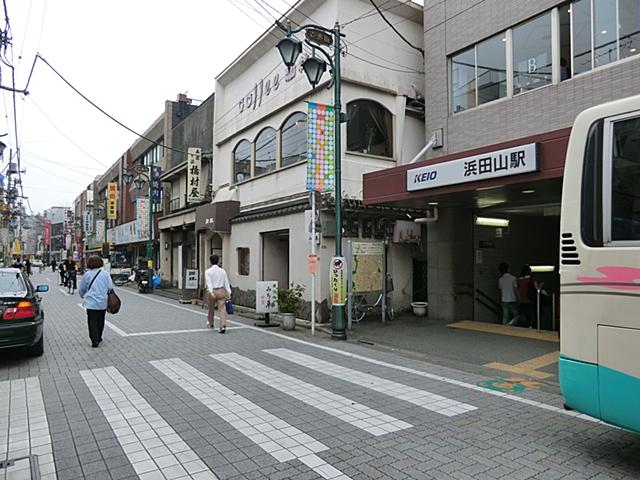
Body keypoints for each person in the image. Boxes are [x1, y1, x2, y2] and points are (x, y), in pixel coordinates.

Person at [79, 255, 113, 348]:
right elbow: (110, 287)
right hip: (103, 301)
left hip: (91, 302)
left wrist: (82, 295)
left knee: (92, 321)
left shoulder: (87, 274)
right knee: (101, 320)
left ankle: (94, 340)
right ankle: (99, 336)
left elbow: (82, 288)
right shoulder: (105, 274)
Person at [204, 254, 231, 333]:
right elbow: (226, 282)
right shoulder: (222, 271)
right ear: (218, 261)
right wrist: (229, 292)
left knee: (211, 308)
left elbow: (209, 283)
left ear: (210, 261)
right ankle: (222, 326)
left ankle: (211, 323)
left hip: (213, 291)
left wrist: (211, 292)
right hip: (221, 290)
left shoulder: (208, 271)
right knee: (222, 309)